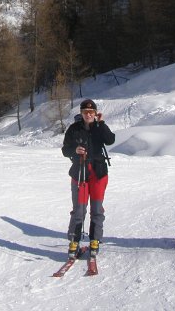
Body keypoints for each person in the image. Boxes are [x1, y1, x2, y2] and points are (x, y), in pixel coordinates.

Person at [61, 99, 115, 259]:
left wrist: (102, 123)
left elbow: (110, 139)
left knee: (97, 209)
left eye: (91, 112)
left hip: (98, 173)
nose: (88, 115)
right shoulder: (74, 129)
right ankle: (74, 243)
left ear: (95, 113)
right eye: (85, 112)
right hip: (79, 173)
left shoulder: (100, 127)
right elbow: (65, 150)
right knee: (79, 210)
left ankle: (95, 241)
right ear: (81, 113)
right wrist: (74, 150)